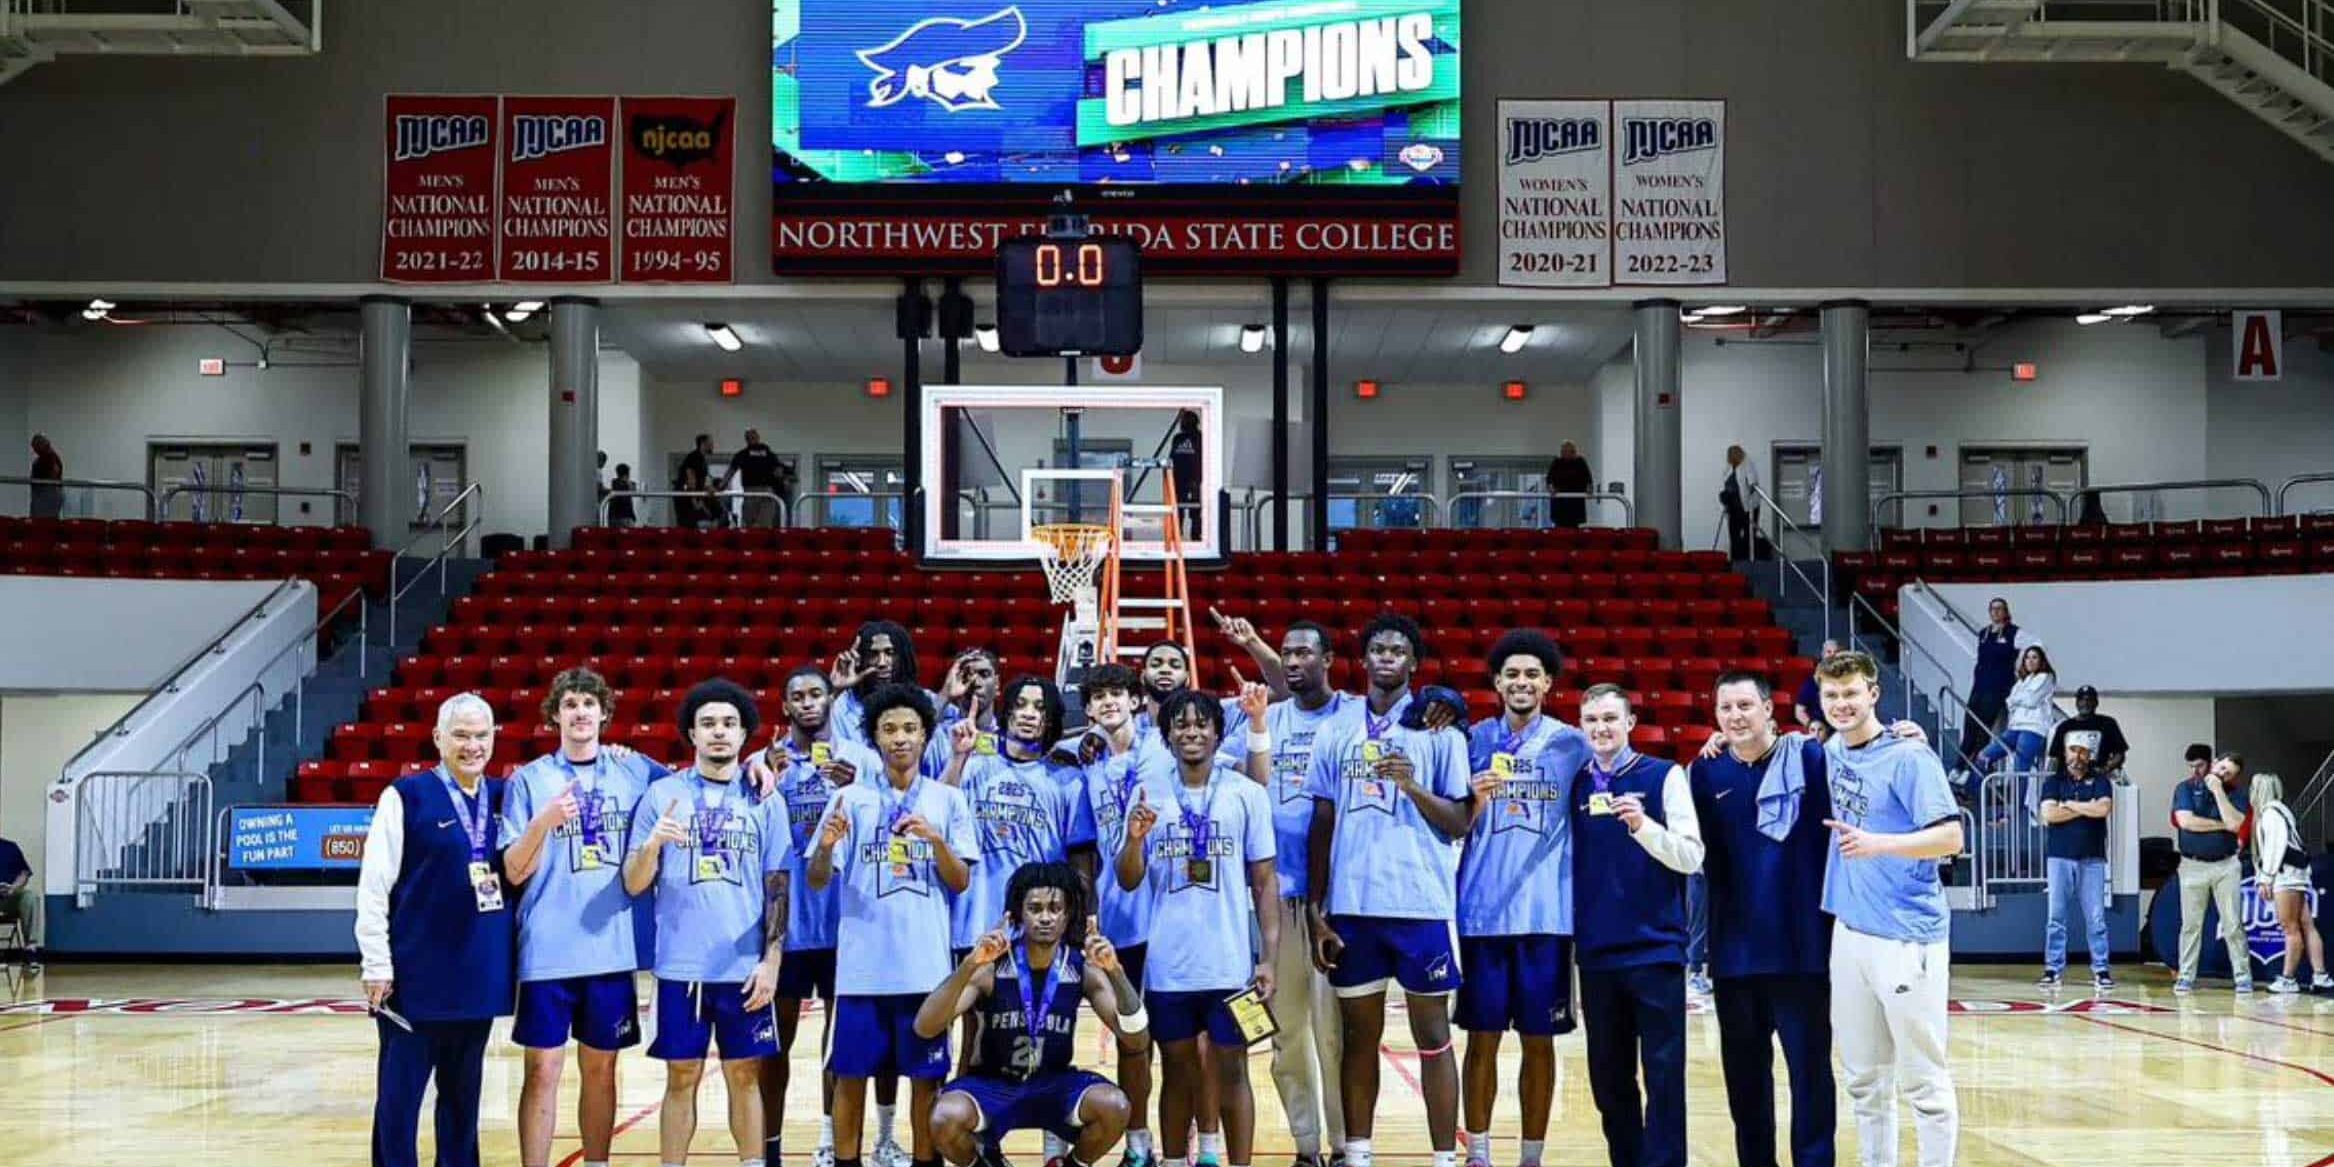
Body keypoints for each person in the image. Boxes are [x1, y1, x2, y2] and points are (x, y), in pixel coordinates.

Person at [1305, 613, 1469, 1167]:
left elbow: (1459, 821)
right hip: (1352, 907)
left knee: (1433, 1035)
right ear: (1365, 658)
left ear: (1413, 663)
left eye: (1398, 649)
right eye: (1378, 648)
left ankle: (1446, 1158)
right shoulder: (1336, 729)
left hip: (1420, 904)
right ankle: (1359, 1155)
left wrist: (1410, 784)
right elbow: (1321, 821)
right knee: (1358, 1038)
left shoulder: (1441, 730)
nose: (1386, 656)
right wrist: (1315, 911)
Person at [499, 668, 672, 1167]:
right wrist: (543, 822)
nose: (579, 712)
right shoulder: (530, 780)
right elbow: (512, 870)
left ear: (603, 713)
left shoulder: (634, 769)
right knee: (542, 1071)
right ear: (555, 714)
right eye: (570, 704)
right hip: (548, 950)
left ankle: (597, 1163)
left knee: (602, 1071)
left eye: (588, 703)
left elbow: (696, 782)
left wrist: (758, 769)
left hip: (610, 949)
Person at [808, 684, 978, 1167]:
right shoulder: (849, 798)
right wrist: (825, 846)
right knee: (849, 1077)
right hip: (862, 970)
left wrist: (936, 840)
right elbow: (818, 880)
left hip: (925, 971)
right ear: (875, 739)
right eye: (888, 730)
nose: (899, 738)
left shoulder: (947, 800)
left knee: (926, 1081)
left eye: (909, 729)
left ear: (926, 736)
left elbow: (961, 881)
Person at [623, 679, 785, 1167]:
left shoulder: (764, 800)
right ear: (691, 733)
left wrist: (772, 961)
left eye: (730, 724)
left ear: (744, 735)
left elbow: (778, 886)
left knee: (744, 1076)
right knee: (682, 1076)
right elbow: (633, 883)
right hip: (681, 967)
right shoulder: (662, 795)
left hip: (743, 969)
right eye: (708, 724)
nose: (719, 733)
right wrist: (653, 844)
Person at [1118, 690, 1281, 1167]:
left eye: (1201, 724)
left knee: (1233, 1071)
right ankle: (1172, 1160)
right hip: (1170, 964)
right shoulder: (1148, 792)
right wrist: (1134, 840)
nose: (1191, 732)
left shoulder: (1246, 794)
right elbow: (1129, 879)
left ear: (1217, 732)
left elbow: (1265, 881)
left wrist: (1267, 957)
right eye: (1181, 724)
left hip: (1231, 961)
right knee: (1177, 1070)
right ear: (1167, 735)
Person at [354, 692, 517, 1167]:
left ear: (494, 738)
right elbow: (373, 886)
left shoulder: (507, 796)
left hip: (478, 975)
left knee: (464, 1097)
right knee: (400, 1100)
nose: (472, 745)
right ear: (438, 738)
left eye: (481, 735)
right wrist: (376, 963)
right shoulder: (405, 796)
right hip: (414, 977)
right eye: (461, 735)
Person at [1817, 650, 1962, 1167]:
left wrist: (1878, 843)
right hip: (1850, 932)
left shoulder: (1908, 756)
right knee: (1862, 1079)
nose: (1842, 704)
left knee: (1921, 1078)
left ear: (1873, 694)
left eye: (1851, 693)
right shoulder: (1830, 750)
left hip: (1907, 936)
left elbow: (1951, 837)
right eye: (1832, 695)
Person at [1689, 672, 1836, 1167]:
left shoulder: (1810, 758)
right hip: (1734, 957)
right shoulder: (1704, 774)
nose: (1735, 716)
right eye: (1726, 708)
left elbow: (1858, 758)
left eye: (1746, 705)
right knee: (1746, 1084)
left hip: (1802, 952)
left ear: (1769, 710)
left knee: (1810, 1076)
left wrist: (1904, 733)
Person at [1455, 631, 1587, 1167]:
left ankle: (1531, 1157)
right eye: (1512, 674)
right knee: (1480, 1039)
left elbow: (1622, 758)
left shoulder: (1572, 743)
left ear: (1548, 683)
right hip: (1481, 913)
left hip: (1546, 916)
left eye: (1532, 674)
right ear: (1496, 682)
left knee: (1540, 1040)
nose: (1522, 682)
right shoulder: (1472, 740)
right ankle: (1480, 1153)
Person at [915, 863, 1147, 1167]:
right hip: (995, 1084)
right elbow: (925, 1026)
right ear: (1019, 915)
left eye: (1055, 908)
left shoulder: (1082, 968)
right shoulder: (992, 966)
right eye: (1035, 908)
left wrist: (1115, 971)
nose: (1046, 917)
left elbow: (1137, 1039)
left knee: (1114, 1106)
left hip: (1054, 1084)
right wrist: (969, 965)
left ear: (1067, 916)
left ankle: (1071, 1165)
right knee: (945, 1117)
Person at [755, 665, 884, 1167]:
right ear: (785, 706)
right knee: (776, 1046)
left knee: (841, 1045)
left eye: (816, 694)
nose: (808, 702)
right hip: (785, 926)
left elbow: (884, 824)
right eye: (798, 696)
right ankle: (769, 1148)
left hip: (845, 922)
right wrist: (769, 783)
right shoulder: (765, 762)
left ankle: (832, 1142)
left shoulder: (863, 761)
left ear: (832, 699)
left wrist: (855, 792)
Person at [1237, 620, 1355, 1167]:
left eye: (1304, 651)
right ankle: (1307, 1148)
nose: (1292, 660)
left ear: (1328, 658)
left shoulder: (1354, 716)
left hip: (1335, 903)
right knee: (1285, 1036)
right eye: (1285, 652)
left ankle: (1345, 1147)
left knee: (1337, 1037)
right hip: (1276, 902)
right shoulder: (1262, 722)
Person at [1568, 685, 1701, 1167]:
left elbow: (1691, 857)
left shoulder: (1663, 776)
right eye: (1591, 720)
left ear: (1630, 721)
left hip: (1655, 951)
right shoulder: (1576, 783)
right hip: (1598, 953)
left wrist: (1645, 827)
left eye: (1609, 718)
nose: (1601, 729)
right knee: (1609, 1077)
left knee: (1664, 1075)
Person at [1062, 663, 1171, 1167]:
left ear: (1135, 700)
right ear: (1087, 710)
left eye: (1118, 694)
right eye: (1098, 696)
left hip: (1170, 915)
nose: (1109, 702)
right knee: (1135, 1040)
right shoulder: (1090, 766)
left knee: (1180, 1043)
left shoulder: (1162, 748)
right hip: (1119, 921)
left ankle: (1192, 1144)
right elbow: (1088, 853)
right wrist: (1090, 912)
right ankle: (1138, 1143)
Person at [2036, 731, 2115, 992]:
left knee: (2096, 918)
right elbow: (2049, 814)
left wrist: (2068, 804)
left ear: (2089, 755)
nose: (2076, 757)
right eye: (2072, 751)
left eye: (2082, 751)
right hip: (2059, 858)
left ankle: (2101, 970)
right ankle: (2052, 968)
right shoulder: (2053, 781)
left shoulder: (2101, 780)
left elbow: (2103, 809)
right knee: (2055, 916)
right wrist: (2084, 807)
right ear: (2065, 753)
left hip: (2092, 859)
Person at [2173, 747, 2254, 994]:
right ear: (2214, 763)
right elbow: (2186, 821)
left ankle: (2242, 976)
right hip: (2192, 864)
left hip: (2226, 865)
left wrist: (2218, 791)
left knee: (2232, 923)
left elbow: (2236, 824)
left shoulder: (2237, 794)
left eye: (2228, 774)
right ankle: (2186, 975)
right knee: (2190, 925)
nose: (2222, 774)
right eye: (2220, 768)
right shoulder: (2185, 788)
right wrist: (2221, 825)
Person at [2247, 773, 2331, 994]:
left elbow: (2276, 847)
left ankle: (2288, 978)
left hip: (2286, 875)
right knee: (2306, 924)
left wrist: (2266, 876)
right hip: (2297, 873)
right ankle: (2320, 975)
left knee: (2290, 927)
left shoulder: (2270, 814)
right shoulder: (2281, 811)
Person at [829, 621, 930, 748]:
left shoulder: (930, 700)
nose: (882, 663)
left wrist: (947, 697)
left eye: (890, 653)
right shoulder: (841, 706)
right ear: (861, 659)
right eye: (873, 654)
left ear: (903, 657)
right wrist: (835, 690)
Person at [1975, 645, 2056, 781]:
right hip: (2015, 728)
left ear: (2041, 661)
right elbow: (2009, 702)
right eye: (2027, 658)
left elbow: (2031, 701)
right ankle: (1977, 795)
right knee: (1983, 756)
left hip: (2033, 729)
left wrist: (2018, 699)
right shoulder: (2022, 681)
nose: (2030, 661)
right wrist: (2019, 699)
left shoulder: (2046, 677)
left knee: (2020, 769)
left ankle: (2018, 802)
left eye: (2034, 657)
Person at [1958, 599, 2020, 772]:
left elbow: (2033, 647)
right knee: (1969, 727)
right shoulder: (1984, 633)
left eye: (1999, 609)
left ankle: (1973, 768)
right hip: (1979, 687)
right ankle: (1960, 766)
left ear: (2006, 611)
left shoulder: (2014, 633)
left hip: (1997, 689)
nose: (1996, 612)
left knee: (1983, 730)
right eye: (1993, 609)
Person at [2043, 686, 2129, 778]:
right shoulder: (2064, 727)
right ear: (2076, 703)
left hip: (2098, 778)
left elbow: (2120, 754)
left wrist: (2106, 769)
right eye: (2081, 700)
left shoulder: (2108, 724)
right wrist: (2050, 780)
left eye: (2089, 700)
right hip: (2068, 780)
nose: (2085, 703)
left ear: (2096, 703)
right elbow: (2055, 758)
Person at [728, 428, 791, 528]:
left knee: (762, 525)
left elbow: (779, 470)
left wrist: (783, 479)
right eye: (750, 437)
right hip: (751, 492)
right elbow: (730, 472)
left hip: (765, 493)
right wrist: (719, 487)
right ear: (747, 439)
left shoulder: (767, 454)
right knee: (750, 524)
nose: (752, 439)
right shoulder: (743, 455)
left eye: (754, 436)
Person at [0, 828, 36, 966]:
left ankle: (30, 948)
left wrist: (13, 888)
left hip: (8, 895)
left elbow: (24, 873)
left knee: (29, 896)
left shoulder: (10, 847)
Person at [1720, 445, 1762, 561]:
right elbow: (1726, 482)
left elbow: (1752, 484)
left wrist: (1747, 493)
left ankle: (1749, 560)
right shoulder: (1729, 467)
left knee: (1749, 536)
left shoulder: (1747, 465)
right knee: (1734, 536)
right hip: (1734, 508)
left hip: (1748, 507)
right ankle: (1735, 561)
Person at [1793, 641, 1842, 739]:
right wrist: (1812, 726)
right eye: (1829, 652)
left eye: (1835, 652)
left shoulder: (1845, 680)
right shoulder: (1810, 684)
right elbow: (1799, 712)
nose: (1832, 655)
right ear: (1823, 655)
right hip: (1818, 730)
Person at [1543, 441, 1593, 530]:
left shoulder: (1580, 462)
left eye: (1568, 451)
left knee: (1574, 530)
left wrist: (1589, 488)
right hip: (1560, 503)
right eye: (1563, 451)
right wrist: (1551, 488)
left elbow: (1588, 479)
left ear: (1574, 452)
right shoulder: (1557, 462)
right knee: (1559, 529)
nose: (1565, 454)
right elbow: (1548, 480)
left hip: (1575, 503)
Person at [1170, 410, 1203, 538]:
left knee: (1195, 509)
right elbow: (1172, 459)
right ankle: (1176, 535)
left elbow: (1202, 458)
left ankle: (1196, 535)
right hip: (1179, 479)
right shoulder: (1178, 438)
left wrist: (1198, 478)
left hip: (1194, 478)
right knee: (1178, 509)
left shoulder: (1200, 438)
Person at [676, 434, 717, 529]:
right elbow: (691, 479)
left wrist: (710, 489)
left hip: (693, 496)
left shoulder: (702, 459)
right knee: (689, 525)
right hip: (686, 498)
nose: (712, 445)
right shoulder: (694, 457)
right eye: (710, 443)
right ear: (703, 444)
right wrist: (694, 500)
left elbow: (703, 481)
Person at [28, 433, 63, 519]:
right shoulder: (43, 459)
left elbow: (54, 474)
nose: (35, 450)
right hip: (42, 495)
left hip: (46, 496)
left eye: (35, 447)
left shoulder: (51, 458)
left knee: (43, 523)